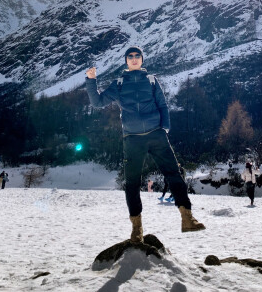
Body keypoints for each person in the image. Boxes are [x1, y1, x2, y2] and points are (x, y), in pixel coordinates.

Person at [85, 46, 205, 243]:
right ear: (126, 61)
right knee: (131, 183)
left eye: (137, 56)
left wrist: (164, 128)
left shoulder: (151, 80)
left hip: (156, 134)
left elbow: (163, 105)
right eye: (130, 56)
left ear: (142, 60)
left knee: (174, 174)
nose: (133, 59)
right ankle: (136, 229)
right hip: (132, 139)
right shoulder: (119, 83)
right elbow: (98, 102)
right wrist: (91, 80)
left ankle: (187, 218)